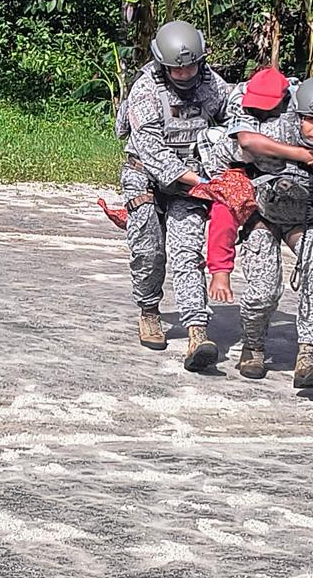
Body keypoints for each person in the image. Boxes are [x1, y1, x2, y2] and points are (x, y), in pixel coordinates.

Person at [218, 76, 313, 388]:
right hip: (265, 218)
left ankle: (309, 355)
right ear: (297, 116)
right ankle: (253, 346)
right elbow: (236, 148)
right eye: (311, 120)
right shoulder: (273, 130)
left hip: (310, 219)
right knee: (264, 289)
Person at [116, 20, 230, 371]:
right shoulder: (146, 88)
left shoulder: (211, 83)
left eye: (190, 65)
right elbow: (150, 146)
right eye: (176, 67)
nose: (184, 72)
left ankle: (198, 330)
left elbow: (238, 113)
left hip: (192, 183)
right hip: (146, 175)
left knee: (186, 251)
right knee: (149, 248)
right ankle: (149, 310)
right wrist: (200, 179)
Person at [204, 67, 313, 301]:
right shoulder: (248, 110)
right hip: (258, 195)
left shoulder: (306, 102)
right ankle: (220, 271)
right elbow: (245, 140)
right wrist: (300, 155)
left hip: (309, 205)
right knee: (227, 198)